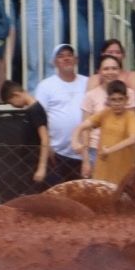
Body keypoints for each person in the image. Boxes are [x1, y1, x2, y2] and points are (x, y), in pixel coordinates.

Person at [32, 43, 88, 185]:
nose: (66, 58)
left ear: (76, 60)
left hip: (85, 153)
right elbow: (40, 118)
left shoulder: (87, 82)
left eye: (70, 55)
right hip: (56, 153)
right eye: (61, 56)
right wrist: (47, 144)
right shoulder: (45, 85)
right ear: (55, 62)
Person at [78, 78, 135, 184]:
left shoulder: (130, 116)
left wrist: (109, 150)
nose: (117, 103)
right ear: (108, 100)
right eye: (113, 99)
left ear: (127, 99)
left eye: (120, 99)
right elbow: (83, 126)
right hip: (102, 173)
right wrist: (75, 140)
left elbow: (133, 139)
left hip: (123, 175)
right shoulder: (105, 113)